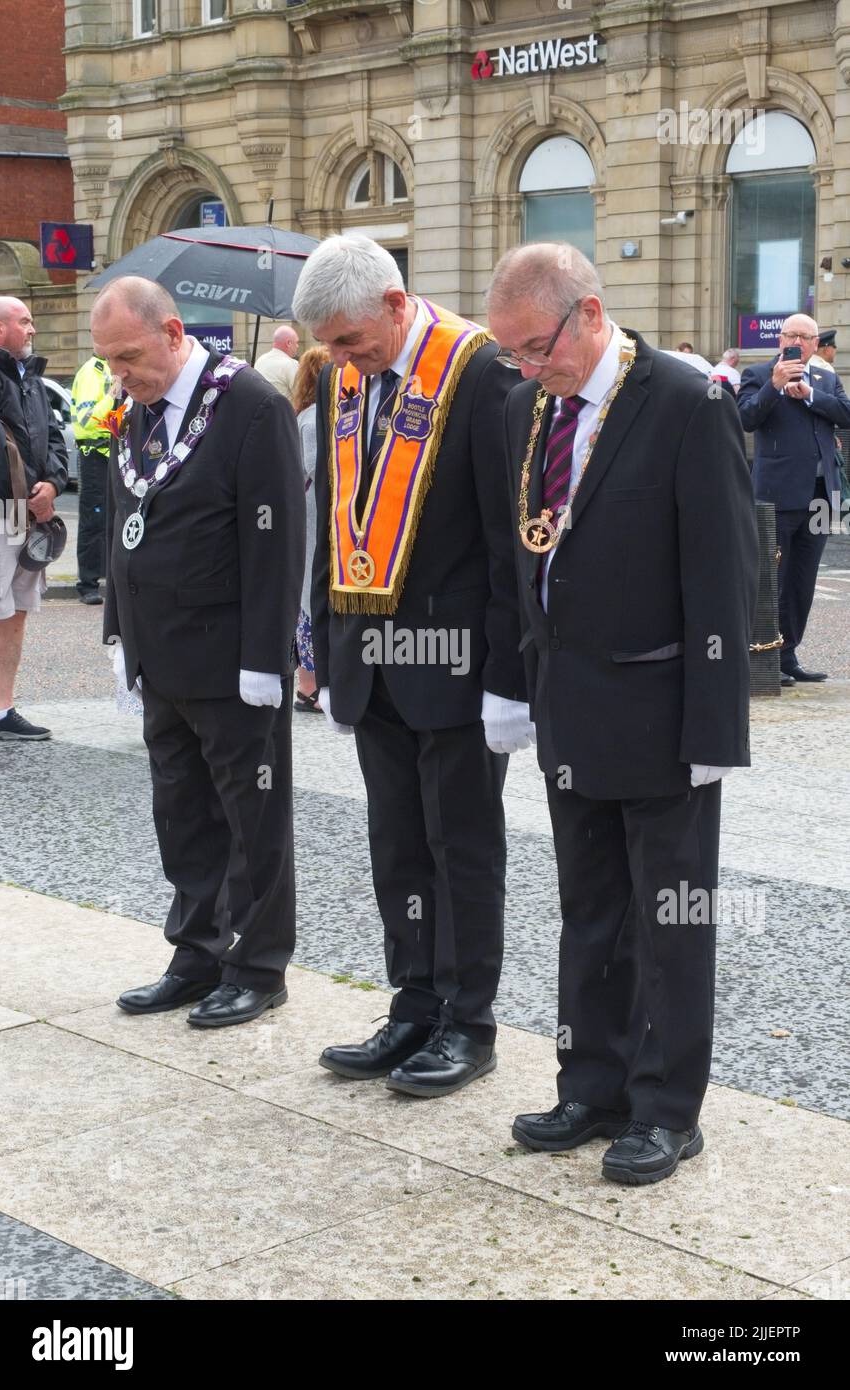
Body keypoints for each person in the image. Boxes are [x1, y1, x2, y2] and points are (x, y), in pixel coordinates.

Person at [486, 243, 757, 1186]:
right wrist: (513, 689)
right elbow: (519, 561)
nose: (524, 367)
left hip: (663, 708)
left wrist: (717, 734)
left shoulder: (686, 401)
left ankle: (667, 1109)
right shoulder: (528, 409)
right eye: (510, 353)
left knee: (671, 917)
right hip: (570, 706)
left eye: (534, 346)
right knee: (590, 911)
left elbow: (724, 576)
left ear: (589, 313)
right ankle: (590, 1084)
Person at [292, 235, 530, 1097]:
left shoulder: (483, 372)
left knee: (459, 846)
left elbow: (510, 544)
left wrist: (511, 676)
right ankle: (414, 1002)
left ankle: (469, 1022)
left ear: (395, 306)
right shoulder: (352, 374)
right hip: (371, 661)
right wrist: (317, 646)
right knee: (396, 844)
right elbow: (332, 524)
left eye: (351, 342)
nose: (340, 361)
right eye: (331, 349)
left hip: (459, 667)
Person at [93, 276, 305, 1027]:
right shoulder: (137, 411)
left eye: (128, 355)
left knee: (251, 820)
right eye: (110, 360)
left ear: (173, 331)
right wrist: (119, 630)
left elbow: (277, 542)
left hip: (229, 658)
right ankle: (195, 951)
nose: (120, 373)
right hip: (160, 656)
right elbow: (123, 522)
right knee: (181, 812)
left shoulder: (251, 405)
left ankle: (257, 963)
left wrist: (265, 657)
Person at [738, 313, 850, 685]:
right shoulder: (758, 374)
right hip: (776, 495)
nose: (799, 342)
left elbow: (846, 415)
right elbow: (744, 419)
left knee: (803, 580)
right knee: (772, 579)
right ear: (780, 339)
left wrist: (812, 397)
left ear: (816, 344)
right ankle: (763, 656)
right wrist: (774, 386)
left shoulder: (825, 378)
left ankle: (789, 656)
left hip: (819, 497)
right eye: (792, 335)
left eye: (806, 337)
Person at [0, 296, 68, 753]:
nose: (32, 329)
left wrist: (52, 485)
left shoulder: (31, 378)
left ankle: (1, 711)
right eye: (24, 321)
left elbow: (52, 437)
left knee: (15, 614)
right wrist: (31, 499)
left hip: (26, 513)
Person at [291, 345, 329, 713]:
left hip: (312, 520)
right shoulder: (314, 418)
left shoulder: (305, 415)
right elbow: (315, 469)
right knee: (309, 600)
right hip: (313, 519)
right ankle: (309, 684)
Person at [71, 352, 116, 605]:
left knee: (113, 519)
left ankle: (109, 578)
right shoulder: (92, 372)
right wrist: (112, 395)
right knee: (93, 520)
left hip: (111, 452)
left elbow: (114, 419)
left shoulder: (111, 370)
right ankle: (87, 584)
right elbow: (87, 421)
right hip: (94, 455)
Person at [254, 325, 300, 401]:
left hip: (261, 410)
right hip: (284, 411)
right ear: (288, 343)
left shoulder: (260, 361)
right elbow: (301, 396)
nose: (297, 346)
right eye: (296, 342)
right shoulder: (291, 364)